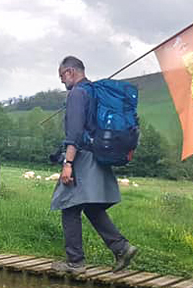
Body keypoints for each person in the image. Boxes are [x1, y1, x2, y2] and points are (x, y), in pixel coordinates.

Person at [50, 56, 138, 274]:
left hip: (82, 156)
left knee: (68, 205)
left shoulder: (78, 93)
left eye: (61, 76)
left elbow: (75, 133)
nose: (62, 81)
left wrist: (68, 163)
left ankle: (75, 262)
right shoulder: (94, 91)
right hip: (96, 154)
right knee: (90, 205)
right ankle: (121, 248)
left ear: (70, 72)